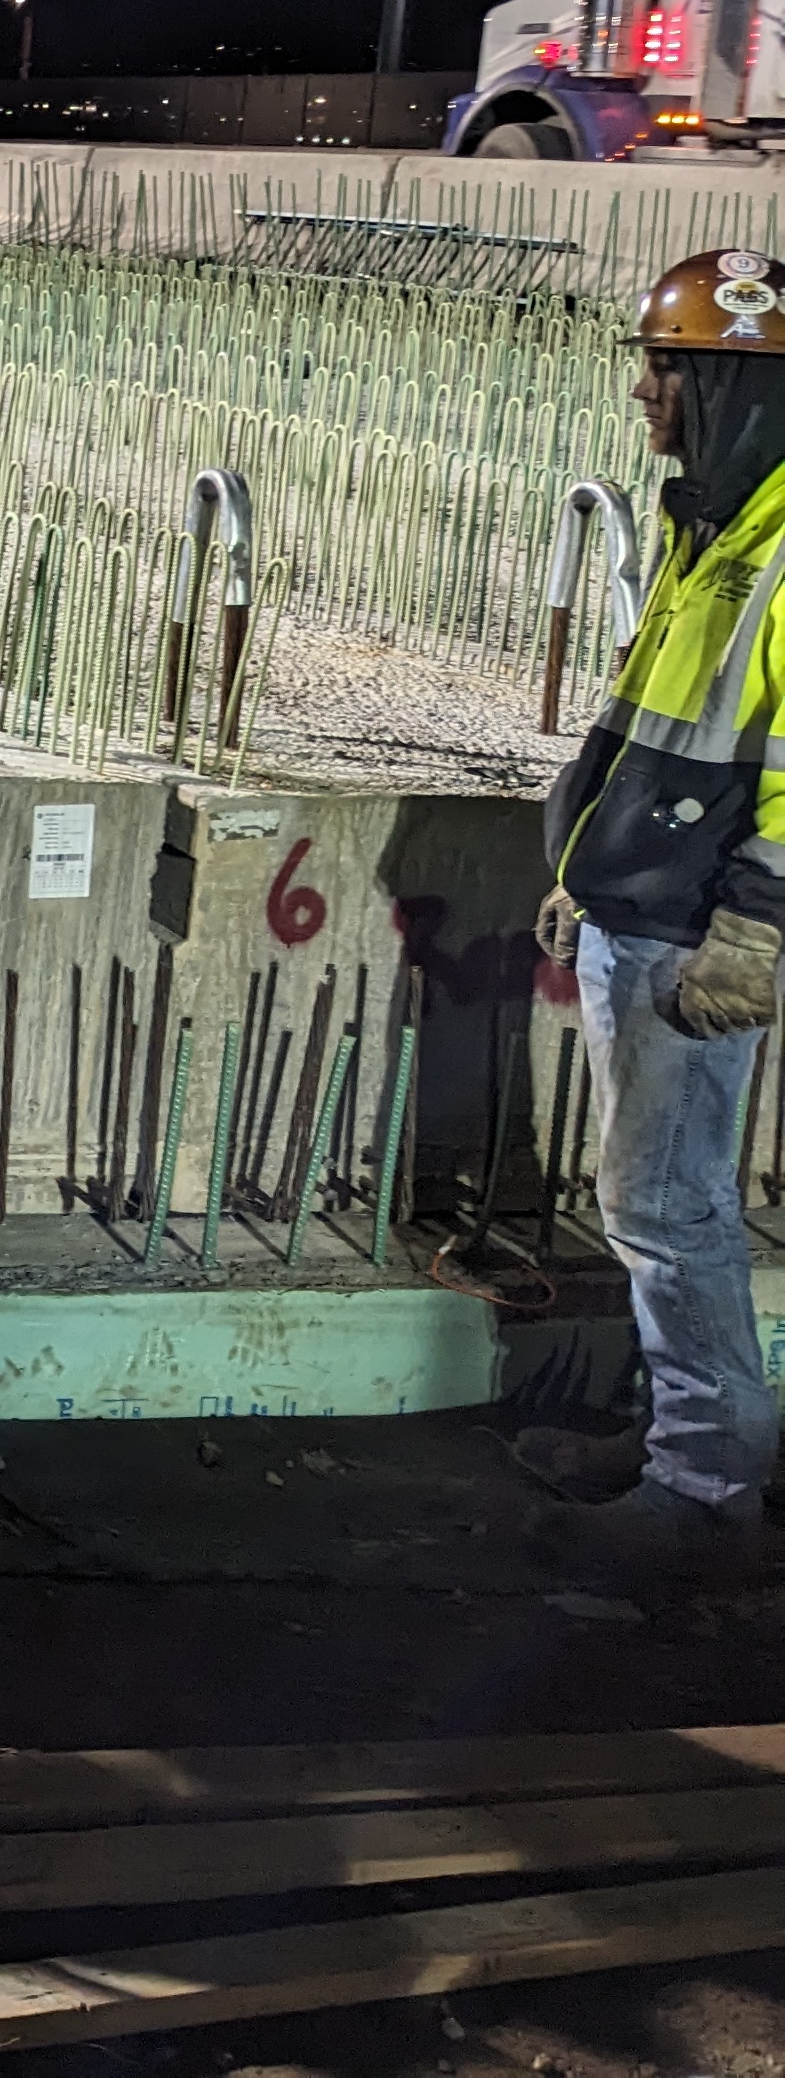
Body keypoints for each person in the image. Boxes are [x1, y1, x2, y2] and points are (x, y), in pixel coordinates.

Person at [530, 247, 785, 1579]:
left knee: (671, 1210)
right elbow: (652, 738)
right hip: (648, 917)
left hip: (701, 942)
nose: (645, 392)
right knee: (649, 1202)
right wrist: (587, 867)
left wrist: (755, 926)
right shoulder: (714, 531)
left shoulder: (782, 548)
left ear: (735, 383)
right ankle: (671, 1435)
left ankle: (703, 1490)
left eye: (667, 368)